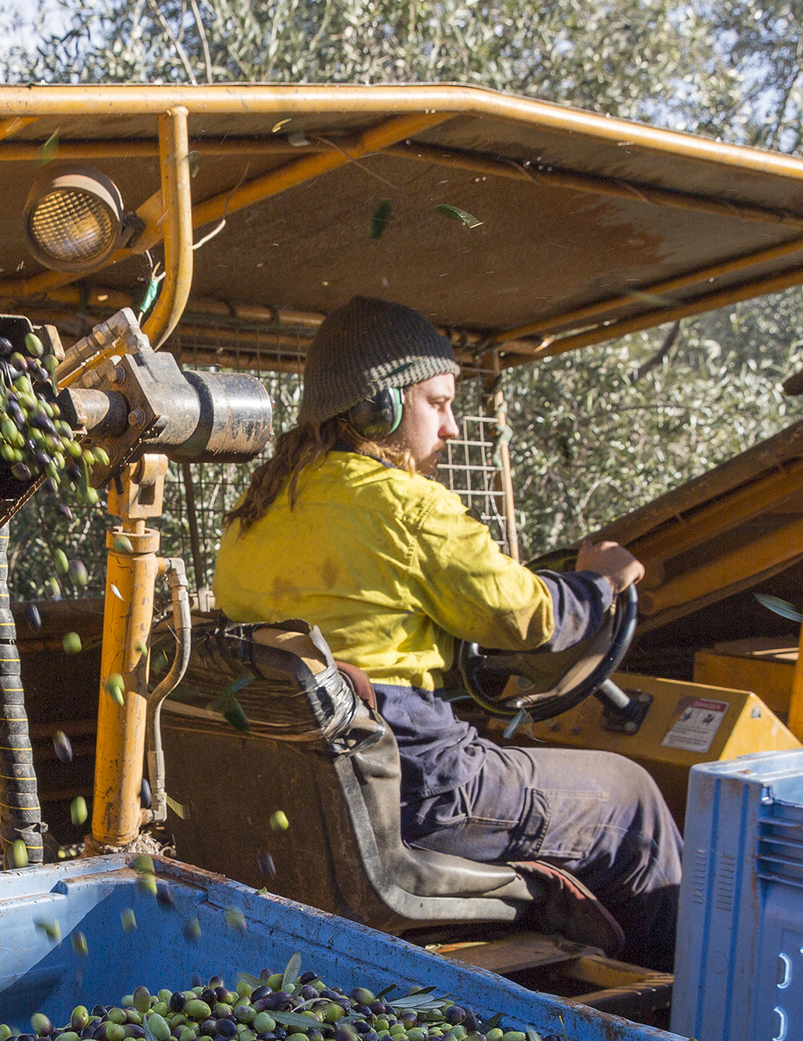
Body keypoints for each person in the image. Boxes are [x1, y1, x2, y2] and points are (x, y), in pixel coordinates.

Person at [212, 295, 682, 966]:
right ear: (380, 406)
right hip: (421, 787)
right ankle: (675, 1023)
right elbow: (527, 617)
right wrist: (599, 582)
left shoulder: (250, 515)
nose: (453, 426)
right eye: (438, 402)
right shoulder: (402, 504)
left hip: (311, 793)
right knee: (631, 801)